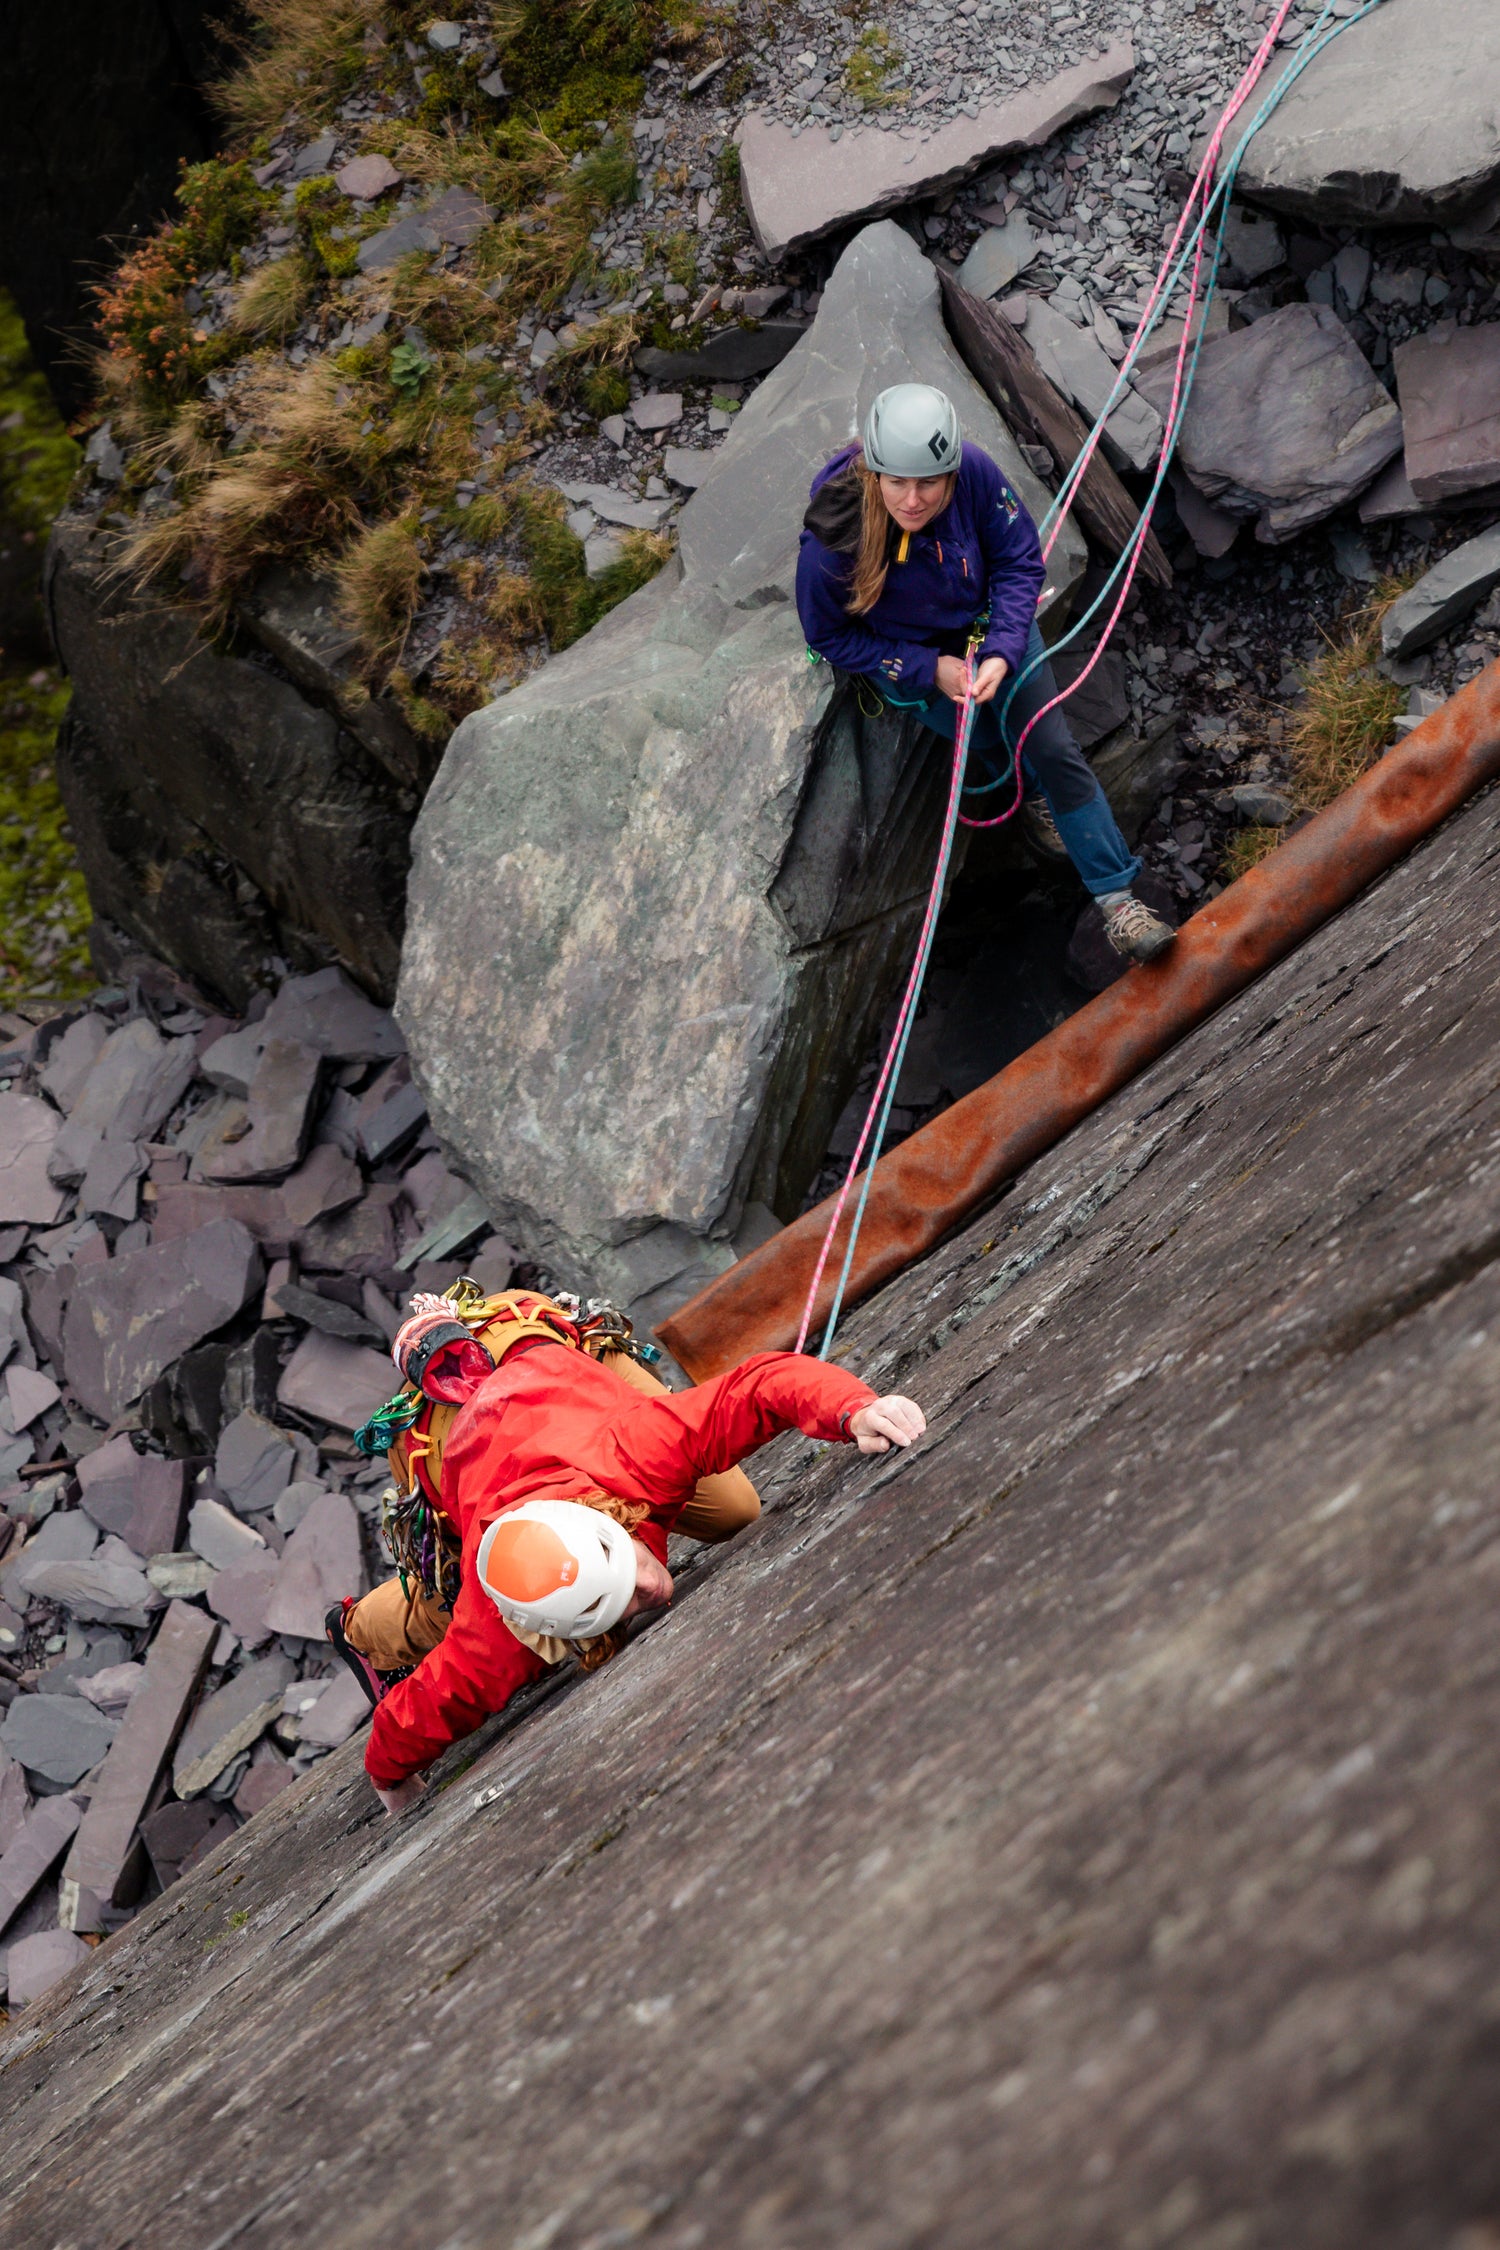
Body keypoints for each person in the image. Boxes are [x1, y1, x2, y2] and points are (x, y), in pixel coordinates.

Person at [330, 1290, 925, 1814]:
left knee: (734, 1511)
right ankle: (357, 1631)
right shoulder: (498, 1620)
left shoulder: (637, 1451)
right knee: (444, 1610)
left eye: (630, 1579)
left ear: (613, 1525)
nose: (655, 1594)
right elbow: (439, 1697)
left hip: (529, 1340)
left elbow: (762, 1386)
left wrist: (854, 1410)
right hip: (436, 1436)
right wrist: (388, 1774)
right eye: (622, 1604)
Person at [795, 382, 1175, 965]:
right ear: (874, 473)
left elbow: (1019, 560)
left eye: (929, 482)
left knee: (1050, 746)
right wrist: (928, 668)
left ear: (951, 471)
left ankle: (1117, 899)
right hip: (917, 654)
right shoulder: (834, 542)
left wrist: (1001, 648)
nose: (914, 500)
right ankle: (1024, 789)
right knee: (988, 743)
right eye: (897, 481)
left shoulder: (973, 471)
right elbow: (826, 635)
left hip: (990, 627)